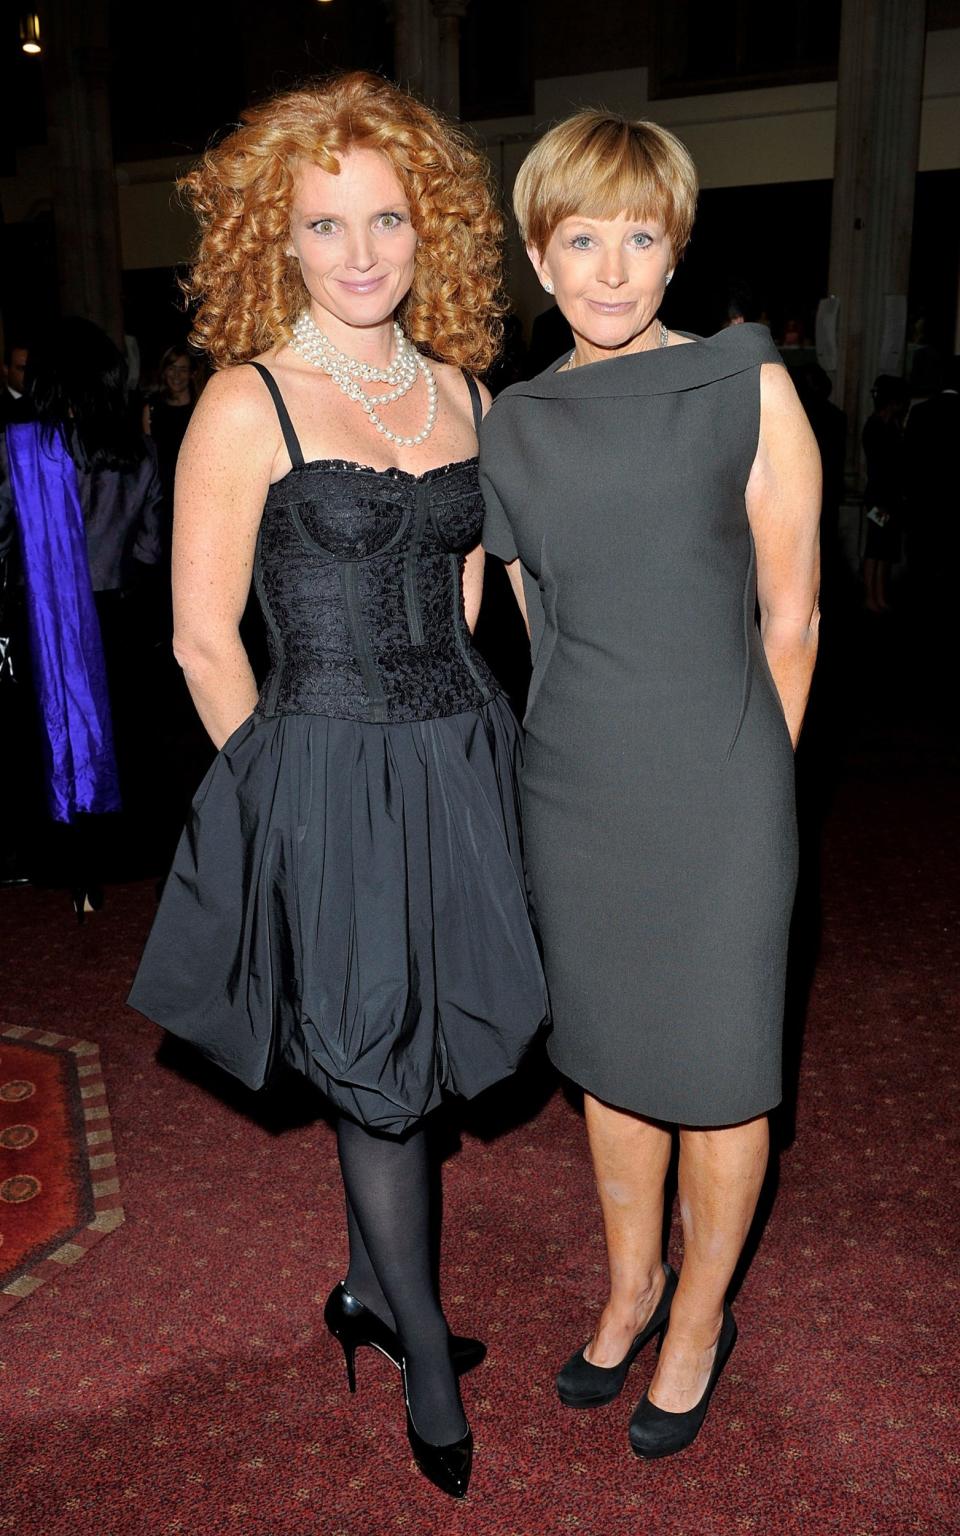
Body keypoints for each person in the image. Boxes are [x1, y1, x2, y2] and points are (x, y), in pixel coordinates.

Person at [127, 71, 548, 1500]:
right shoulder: (249, 404)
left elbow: (480, 588)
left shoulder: (465, 391)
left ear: (431, 229)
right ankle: (421, 1343)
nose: (361, 252)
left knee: (418, 1047)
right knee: (372, 1069)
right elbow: (197, 636)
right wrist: (280, 804)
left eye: (386, 220)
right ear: (277, 241)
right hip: (320, 759)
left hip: (458, 753)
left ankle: (370, 1290)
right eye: (324, 226)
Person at [479, 111, 820, 1458]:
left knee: (726, 1075)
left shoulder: (750, 384)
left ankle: (699, 1320)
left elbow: (792, 618)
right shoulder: (513, 423)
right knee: (613, 1066)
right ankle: (630, 1290)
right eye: (581, 240)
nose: (610, 269)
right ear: (537, 252)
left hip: (726, 784)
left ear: (675, 249)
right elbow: (532, 627)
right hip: (576, 792)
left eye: (639, 237)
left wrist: (750, 790)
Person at [0, 317, 164, 915]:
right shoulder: (139, 452)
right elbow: (150, 549)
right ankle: (114, 865)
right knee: (122, 740)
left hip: (41, 620)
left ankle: (67, 871)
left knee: (40, 739)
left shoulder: (15, 447)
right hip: (117, 618)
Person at [861, 374, 908, 613]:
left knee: (885, 549)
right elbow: (879, 467)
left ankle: (878, 594)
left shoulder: (890, 426)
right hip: (878, 497)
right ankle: (870, 595)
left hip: (888, 496)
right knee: (875, 547)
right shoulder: (876, 426)